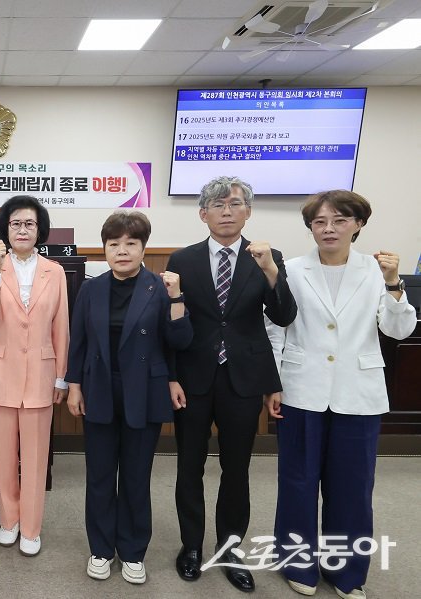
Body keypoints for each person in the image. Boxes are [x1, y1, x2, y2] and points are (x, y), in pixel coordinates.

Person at [265, 191, 416, 599]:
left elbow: (398, 330)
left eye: (339, 220)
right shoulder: (291, 270)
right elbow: (275, 329)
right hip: (301, 389)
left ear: (358, 224)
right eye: (319, 222)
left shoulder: (377, 271)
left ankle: (347, 572)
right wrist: (273, 383)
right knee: (297, 482)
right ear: (310, 228)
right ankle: (297, 563)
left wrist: (394, 285)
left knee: (353, 488)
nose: (328, 229)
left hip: (358, 392)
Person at [167, 175, 297, 592]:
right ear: (203, 214)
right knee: (189, 465)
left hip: (244, 378)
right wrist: (171, 376)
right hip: (193, 377)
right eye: (218, 205)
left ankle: (230, 549)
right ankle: (191, 546)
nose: (227, 211)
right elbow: (173, 322)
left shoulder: (268, 257)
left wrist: (271, 271)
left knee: (236, 468)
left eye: (235, 204)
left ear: (248, 212)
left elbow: (283, 316)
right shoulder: (182, 259)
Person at [65, 211, 193, 584]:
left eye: (130, 243)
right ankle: (101, 549)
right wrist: (74, 385)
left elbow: (179, 341)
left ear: (143, 248)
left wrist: (177, 298)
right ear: (105, 248)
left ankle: (133, 551)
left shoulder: (160, 287)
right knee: (100, 475)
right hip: (99, 388)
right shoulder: (91, 289)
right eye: (114, 244)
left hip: (144, 390)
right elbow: (78, 341)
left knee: (136, 477)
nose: (122, 251)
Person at [0, 195, 69, 557]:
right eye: (15, 224)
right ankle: (9, 521)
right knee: (3, 456)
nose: (22, 230)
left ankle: (31, 528)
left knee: (35, 458)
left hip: (41, 376)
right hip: (1, 375)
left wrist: (61, 376)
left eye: (29, 223)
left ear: (39, 230)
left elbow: (61, 327)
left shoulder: (54, 271)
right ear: (5, 229)